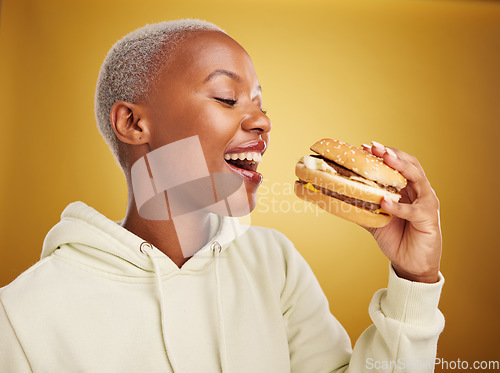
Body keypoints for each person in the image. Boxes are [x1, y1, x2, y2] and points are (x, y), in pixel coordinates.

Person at [0, 19, 444, 372]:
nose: (262, 122)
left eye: (260, 103)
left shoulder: (273, 263)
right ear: (134, 124)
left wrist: (415, 282)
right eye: (227, 98)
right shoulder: (21, 317)